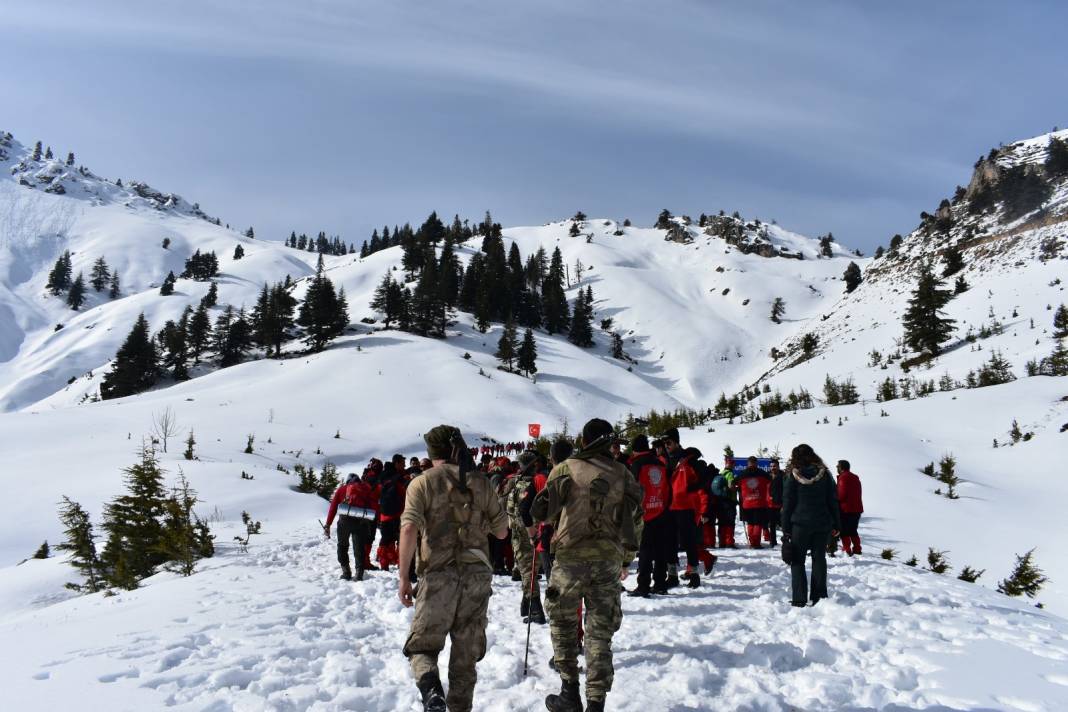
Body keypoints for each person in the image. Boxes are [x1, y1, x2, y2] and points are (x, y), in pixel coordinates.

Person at [532, 418, 642, 712]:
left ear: (584, 441)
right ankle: (596, 702)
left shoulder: (566, 468)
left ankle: (569, 691)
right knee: (599, 633)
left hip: (570, 560)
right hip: (607, 561)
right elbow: (635, 518)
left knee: (563, 626)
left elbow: (542, 510)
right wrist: (626, 559)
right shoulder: (623, 474)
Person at [398, 425, 509, 712]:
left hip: (438, 576)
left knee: (423, 647)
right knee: (465, 655)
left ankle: (432, 692)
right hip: (476, 577)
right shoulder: (481, 482)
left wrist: (403, 577)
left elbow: (409, 527)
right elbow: (501, 532)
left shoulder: (422, 483)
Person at [781, 443, 841, 607]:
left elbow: (788, 504)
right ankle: (819, 596)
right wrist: (837, 523)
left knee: (797, 561)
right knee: (819, 558)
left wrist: (786, 528)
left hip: (799, 524)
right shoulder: (824, 474)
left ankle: (799, 598)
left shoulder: (793, 476)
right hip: (822, 523)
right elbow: (833, 501)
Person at [627, 434, 673, 597]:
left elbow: (632, 491)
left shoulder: (637, 464)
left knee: (645, 551)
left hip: (644, 514)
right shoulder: (660, 464)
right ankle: (660, 583)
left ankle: (643, 585)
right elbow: (668, 489)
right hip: (661, 510)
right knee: (661, 549)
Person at [506, 450, 546, 624]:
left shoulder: (523, 485)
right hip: (529, 532)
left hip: (525, 534)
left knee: (528, 571)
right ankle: (527, 602)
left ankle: (536, 609)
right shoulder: (536, 483)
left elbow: (519, 512)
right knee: (529, 570)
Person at [324, 473, 378, 580]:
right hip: (361, 522)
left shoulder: (342, 489)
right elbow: (374, 506)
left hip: (344, 522)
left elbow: (333, 508)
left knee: (342, 546)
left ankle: (346, 572)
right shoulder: (366, 489)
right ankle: (359, 574)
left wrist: (328, 524)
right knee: (359, 548)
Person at [376, 454, 408, 571]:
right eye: (403, 464)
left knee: (385, 541)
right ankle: (401, 565)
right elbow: (405, 494)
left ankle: (384, 565)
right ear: (397, 463)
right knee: (402, 541)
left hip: (384, 515)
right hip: (399, 514)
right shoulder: (399, 478)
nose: (404, 466)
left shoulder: (383, 476)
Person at [737, 456, 772, 549]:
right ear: (756, 463)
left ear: (748, 463)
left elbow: (734, 484)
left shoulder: (742, 474)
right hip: (759, 503)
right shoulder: (763, 473)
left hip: (746, 503)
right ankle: (755, 543)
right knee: (757, 523)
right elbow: (771, 482)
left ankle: (752, 542)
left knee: (750, 523)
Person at [836, 460, 864, 556]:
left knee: (844, 531)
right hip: (857, 509)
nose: (836, 468)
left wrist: (835, 499)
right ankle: (857, 549)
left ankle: (847, 550)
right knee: (853, 530)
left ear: (841, 468)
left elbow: (841, 495)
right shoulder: (855, 478)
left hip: (846, 509)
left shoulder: (843, 478)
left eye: (838, 466)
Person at [711, 456, 738, 548]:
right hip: (729, 501)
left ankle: (722, 542)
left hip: (720, 501)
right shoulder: (730, 474)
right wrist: (737, 488)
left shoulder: (721, 473)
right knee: (729, 522)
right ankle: (729, 542)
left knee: (722, 522)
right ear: (732, 465)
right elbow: (731, 486)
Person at [766, 457, 784, 546]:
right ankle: (773, 542)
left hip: (780, 505)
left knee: (783, 524)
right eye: (771, 466)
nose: (773, 468)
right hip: (769, 505)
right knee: (772, 525)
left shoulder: (783, 476)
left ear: (778, 466)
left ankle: (786, 541)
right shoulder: (767, 476)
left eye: (775, 466)